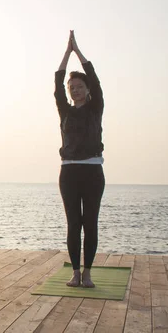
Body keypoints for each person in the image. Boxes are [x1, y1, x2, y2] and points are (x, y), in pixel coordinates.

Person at [55, 30, 105, 288]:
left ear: (87, 91)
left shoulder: (96, 108)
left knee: (90, 223)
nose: (74, 90)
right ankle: (75, 272)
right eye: (71, 88)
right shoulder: (64, 110)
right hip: (69, 173)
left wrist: (77, 52)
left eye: (79, 87)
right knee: (74, 223)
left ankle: (88, 273)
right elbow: (57, 80)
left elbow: (94, 78)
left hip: (93, 172)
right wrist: (65, 54)